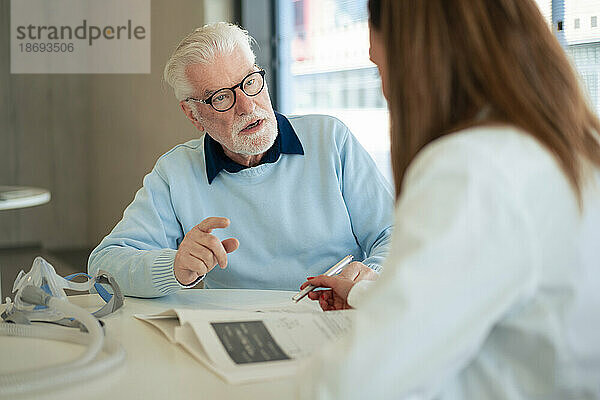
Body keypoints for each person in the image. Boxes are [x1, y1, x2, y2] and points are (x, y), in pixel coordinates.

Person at [300, 0, 600, 398]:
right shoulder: (566, 147)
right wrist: (364, 294)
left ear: (417, 57)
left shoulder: (473, 168)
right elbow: (489, 285)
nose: (387, 91)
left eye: (380, 67)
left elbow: (354, 385)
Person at [87, 22, 393, 297]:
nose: (247, 106)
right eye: (221, 97)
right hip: (236, 333)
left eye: (249, 82)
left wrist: (373, 274)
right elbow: (104, 265)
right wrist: (174, 266)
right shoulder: (175, 172)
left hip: (333, 319)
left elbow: (393, 233)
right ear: (193, 114)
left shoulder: (330, 139)